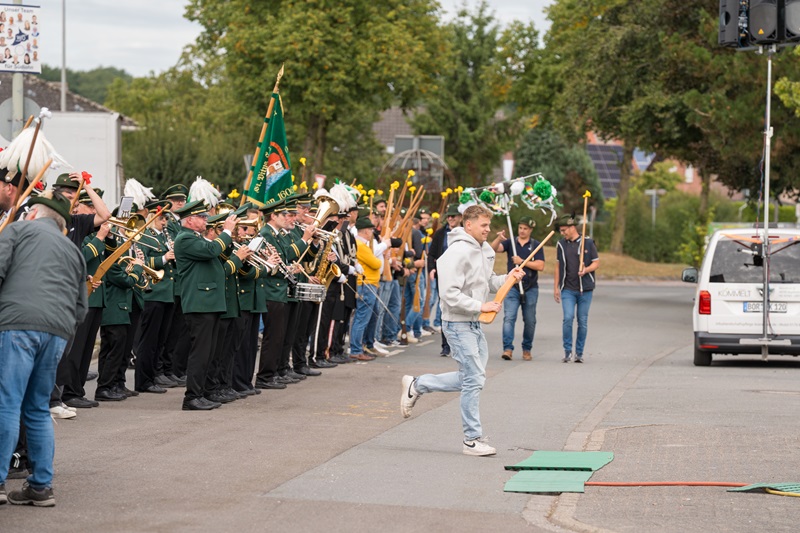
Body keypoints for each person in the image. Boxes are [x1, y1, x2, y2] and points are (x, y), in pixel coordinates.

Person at [400, 205, 523, 456]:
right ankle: (471, 439)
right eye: (484, 225)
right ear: (468, 225)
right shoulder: (455, 252)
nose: (488, 230)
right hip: (457, 324)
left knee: (472, 378)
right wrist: (480, 306)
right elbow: (449, 294)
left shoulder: (484, 249)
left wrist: (509, 278)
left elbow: (488, 282)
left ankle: (418, 384)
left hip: (474, 323)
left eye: (488, 225)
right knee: (474, 379)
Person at [0, 192, 88, 507]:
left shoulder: (17, 229)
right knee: (38, 407)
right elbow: (81, 307)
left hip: (17, 323)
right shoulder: (72, 248)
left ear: (34, 213)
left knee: (7, 403)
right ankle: (41, 486)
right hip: (57, 332)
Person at [490, 216, 545, 361]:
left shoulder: (536, 245)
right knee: (509, 317)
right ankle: (507, 349)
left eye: (525, 228)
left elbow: (540, 265)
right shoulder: (511, 243)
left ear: (530, 230)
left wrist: (522, 262)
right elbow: (493, 249)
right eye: (520, 228)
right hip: (512, 287)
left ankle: (527, 349)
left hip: (530, 287)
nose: (522, 231)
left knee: (530, 320)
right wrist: (498, 239)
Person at [554, 215, 599, 363]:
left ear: (572, 227)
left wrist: (586, 270)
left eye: (564, 230)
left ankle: (579, 353)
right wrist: (556, 287)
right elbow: (558, 266)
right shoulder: (561, 244)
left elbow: (596, 263)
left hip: (585, 289)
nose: (562, 233)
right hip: (567, 288)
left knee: (582, 321)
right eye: (561, 231)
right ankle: (567, 351)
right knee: (568, 318)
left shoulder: (588, 242)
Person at [427, 203, 462, 356]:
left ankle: (459, 343)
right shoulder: (440, 234)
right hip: (444, 276)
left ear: (460, 217)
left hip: (461, 276)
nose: (450, 219)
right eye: (448, 216)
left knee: (460, 310)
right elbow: (431, 254)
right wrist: (431, 269)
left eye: (453, 216)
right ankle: (446, 345)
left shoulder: (466, 233)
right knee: (445, 310)